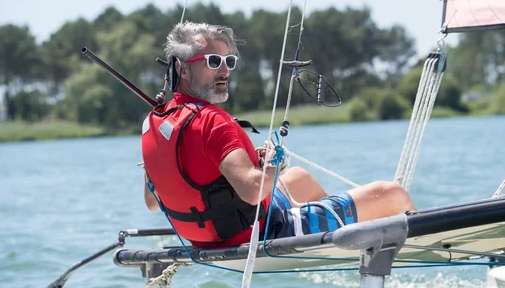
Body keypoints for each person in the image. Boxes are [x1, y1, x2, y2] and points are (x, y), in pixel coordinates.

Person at [141, 22, 416, 249]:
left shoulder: (155, 122)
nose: (224, 71)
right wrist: (273, 164)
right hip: (262, 232)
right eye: (213, 61)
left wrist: (259, 169)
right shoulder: (213, 122)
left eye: (229, 61)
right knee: (390, 193)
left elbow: (152, 201)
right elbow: (251, 192)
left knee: (300, 179)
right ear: (182, 68)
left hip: (207, 237)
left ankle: (339, 244)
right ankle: (414, 252)